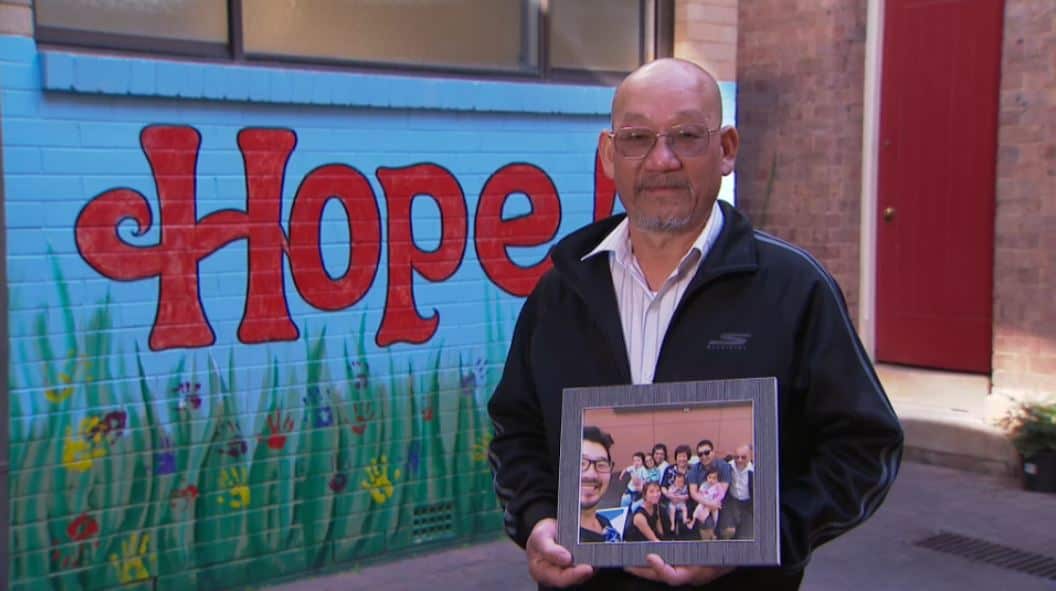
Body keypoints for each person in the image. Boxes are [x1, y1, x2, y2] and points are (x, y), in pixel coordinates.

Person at [488, 57, 903, 589]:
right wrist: (536, 519)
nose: (661, 160)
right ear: (610, 155)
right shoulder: (560, 294)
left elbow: (865, 447)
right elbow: (516, 432)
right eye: (637, 138)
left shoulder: (794, 290)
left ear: (726, 149)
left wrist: (758, 541)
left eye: (686, 135)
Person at [579, 426, 622, 544]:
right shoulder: (557, 538)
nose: (591, 474)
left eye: (601, 464)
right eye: (581, 463)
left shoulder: (605, 524)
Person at [688, 439, 733, 539]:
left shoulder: (724, 466)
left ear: (713, 452)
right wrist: (709, 503)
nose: (704, 456)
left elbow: (722, 490)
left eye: (707, 452)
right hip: (702, 503)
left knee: (729, 530)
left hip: (720, 502)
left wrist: (714, 504)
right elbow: (693, 493)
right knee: (707, 530)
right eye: (700, 454)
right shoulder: (694, 469)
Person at [686, 468, 728, 539]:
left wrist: (715, 501)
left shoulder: (718, 486)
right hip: (704, 503)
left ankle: (714, 530)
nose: (711, 480)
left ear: (717, 479)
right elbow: (700, 494)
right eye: (710, 477)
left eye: (714, 478)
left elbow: (721, 495)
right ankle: (692, 522)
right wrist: (705, 501)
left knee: (715, 518)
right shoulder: (704, 485)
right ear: (707, 477)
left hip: (714, 504)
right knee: (698, 510)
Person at [726, 444, 754, 540]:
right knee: (728, 531)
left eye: (743, 457)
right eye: (736, 457)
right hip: (732, 502)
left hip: (748, 504)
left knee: (746, 537)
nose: (739, 460)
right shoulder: (728, 466)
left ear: (750, 456)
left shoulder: (755, 470)